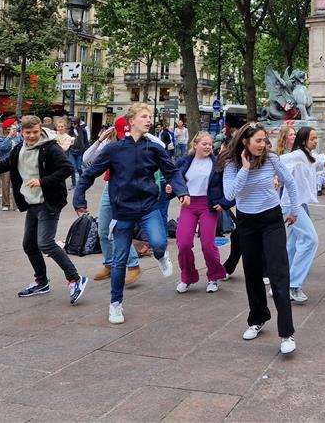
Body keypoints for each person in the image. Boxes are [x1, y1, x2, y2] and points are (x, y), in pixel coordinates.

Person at [74, 103, 189, 324]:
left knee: (158, 242)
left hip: (148, 207)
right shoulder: (114, 149)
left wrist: (181, 191)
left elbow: (172, 172)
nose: (149, 120)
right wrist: (79, 198)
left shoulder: (154, 148)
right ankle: (115, 305)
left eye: (150, 117)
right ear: (131, 121)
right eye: (144, 116)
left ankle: (160, 255)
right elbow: (89, 174)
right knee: (118, 261)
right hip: (123, 211)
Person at [0, 115, 87, 303]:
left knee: (46, 243)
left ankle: (75, 278)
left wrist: (42, 181)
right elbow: (4, 164)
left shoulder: (51, 148)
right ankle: (41, 282)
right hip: (32, 202)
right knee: (29, 245)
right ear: (21, 132)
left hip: (49, 201)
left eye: (35, 132)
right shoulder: (19, 148)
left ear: (40, 129)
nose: (32, 136)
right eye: (28, 133)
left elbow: (66, 169)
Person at [221, 121, 299, 355]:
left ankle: (287, 333)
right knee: (252, 273)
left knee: (278, 273)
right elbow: (229, 195)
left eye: (265, 140)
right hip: (246, 222)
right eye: (258, 141)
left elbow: (290, 182)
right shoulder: (231, 164)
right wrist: (245, 169)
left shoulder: (272, 159)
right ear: (245, 141)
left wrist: (293, 210)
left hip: (271, 220)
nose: (263, 145)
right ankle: (258, 318)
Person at [82, 119, 142, 286]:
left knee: (118, 229)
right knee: (102, 229)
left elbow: (160, 146)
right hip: (110, 188)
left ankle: (133, 265)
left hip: (129, 188)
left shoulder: (139, 143)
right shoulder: (109, 143)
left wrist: (145, 133)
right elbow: (86, 160)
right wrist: (100, 139)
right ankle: (109, 264)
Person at [174, 132, 227, 293]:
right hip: (188, 205)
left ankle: (213, 276)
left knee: (208, 245)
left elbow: (228, 184)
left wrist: (223, 203)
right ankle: (187, 276)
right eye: (204, 144)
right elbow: (175, 180)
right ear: (195, 144)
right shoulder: (184, 161)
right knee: (183, 243)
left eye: (210, 144)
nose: (208, 147)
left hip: (208, 205)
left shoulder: (217, 163)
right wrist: (171, 189)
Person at [279, 126, 323, 303]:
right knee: (310, 240)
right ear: (303, 140)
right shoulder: (297, 155)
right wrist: (276, 177)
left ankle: (282, 283)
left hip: (300, 203)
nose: (316, 141)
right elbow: (279, 161)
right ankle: (293, 285)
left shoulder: (306, 155)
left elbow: (313, 164)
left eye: (316, 138)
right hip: (293, 206)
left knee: (293, 243)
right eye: (312, 138)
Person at [0, 119, 21, 211]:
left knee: (16, 184)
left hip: (17, 163)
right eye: (12, 127)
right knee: (5, 184)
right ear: (7, 128)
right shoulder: (1, 137)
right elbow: (1, 148)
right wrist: (9, 136)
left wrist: (17, 135)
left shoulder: (18, 137)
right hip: (5, 163)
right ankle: (6, 204)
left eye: (14, 127)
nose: (14, 128)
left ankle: (17, 205)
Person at [67, 116, 88, 188]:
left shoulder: (83, 130)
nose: (73, 125)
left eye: (75, 123)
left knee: (79, 168)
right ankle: (73, 184)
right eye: (72, 123)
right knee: (72, 168)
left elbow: (86, 142)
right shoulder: (70, 131)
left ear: (78, 123)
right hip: (72, 151)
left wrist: (85, 151)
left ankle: (82, 182)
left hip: (80, 152)